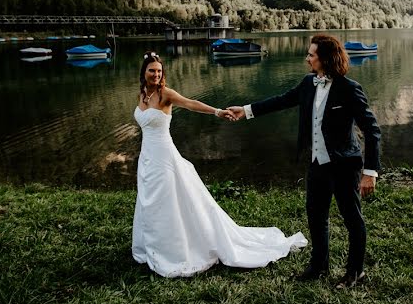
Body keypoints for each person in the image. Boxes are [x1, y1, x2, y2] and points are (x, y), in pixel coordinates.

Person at [132, 51, 306, 277]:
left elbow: (191, 104)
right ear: (144, 73)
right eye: (151, 70)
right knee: (151, 199)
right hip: (148, 155)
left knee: (168, 199)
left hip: (165, 156)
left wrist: (217, 112)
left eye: (159, 71)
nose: (156, 74)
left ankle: (176, 249)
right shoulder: (143, 94)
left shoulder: (166, 94)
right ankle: (153, 246)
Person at [227, 34, 381, 289]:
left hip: (344, 165)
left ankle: (356, 272)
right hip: (317, 164)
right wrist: (246, 110)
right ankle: (319, 265)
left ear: (325, 59)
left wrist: (370, 172)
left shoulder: (349, 88)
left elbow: (372, 129)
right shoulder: (309, 84)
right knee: (316, 215)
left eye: (311, 55)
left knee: (352, 218)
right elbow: (282, 100)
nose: (307, 59)